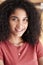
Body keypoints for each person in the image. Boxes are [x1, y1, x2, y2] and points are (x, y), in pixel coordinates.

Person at [0, 0, 43, 65]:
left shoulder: (35, 43)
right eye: (14, 19)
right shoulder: (1, 46)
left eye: (25, 20)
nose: (20, 25)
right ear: (5, 20)